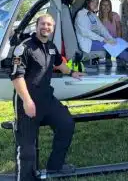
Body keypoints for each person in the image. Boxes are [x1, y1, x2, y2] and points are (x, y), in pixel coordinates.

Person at [11, 14, 84, 181]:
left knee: (66, 124)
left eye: (49, 25)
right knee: (27, 148)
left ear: (52, 28)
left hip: (47, 99)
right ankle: (26, 178)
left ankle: (55, 166)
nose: (46, 27)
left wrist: (71, 72)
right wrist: (27, 101)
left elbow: (59, 64)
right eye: (43, 24)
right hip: (26, 101)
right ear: (37, 26)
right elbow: (17, 76)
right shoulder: (24, 47)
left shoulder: (51, 46)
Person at [75, 0, 128, 65]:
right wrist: (104, 40)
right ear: (87, 2)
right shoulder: (81, 14)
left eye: (97, 3)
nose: (95, 4)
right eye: (93, 2)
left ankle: (127, 64)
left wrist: (111, 39)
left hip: (94, 41)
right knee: (117, 48)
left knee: (126, 46)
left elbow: (102, 29)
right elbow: (86, 33)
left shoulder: (91, 14)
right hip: (88, 44)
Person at [99, 0, 122, 66]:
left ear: (110, 6)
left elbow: (119, 28)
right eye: (104, 5)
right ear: (100, 6)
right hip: (105, 43)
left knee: (118, 60)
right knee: (108, 61)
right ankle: (107, 72)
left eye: (108, 5)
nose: (106, 7)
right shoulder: (98, 18)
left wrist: (118, 41)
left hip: (115, 41)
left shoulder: (115, 15)